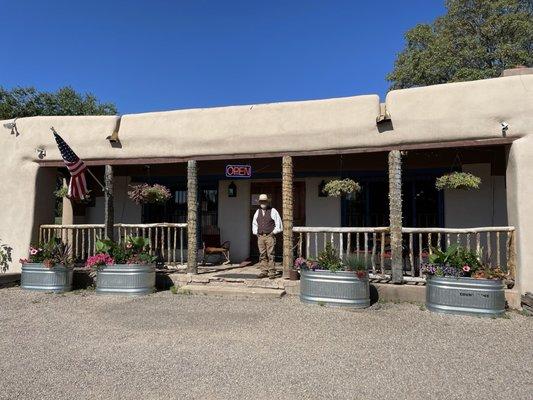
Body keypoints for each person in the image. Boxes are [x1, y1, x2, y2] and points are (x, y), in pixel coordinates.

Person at [252, 194, 283, 279]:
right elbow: (254, 223)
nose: (263, 203)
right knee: (262, 254)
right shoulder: (257, 211)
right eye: (261, 201)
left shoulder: (273, 211)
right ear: (259, 202)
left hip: (269, 236)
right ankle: (264, 271)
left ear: (267, 202)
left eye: (264, 201)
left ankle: (272, 272)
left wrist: (273, 233)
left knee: (271, 254)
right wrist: (256, 233)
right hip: (260, 236)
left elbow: (279, 224)